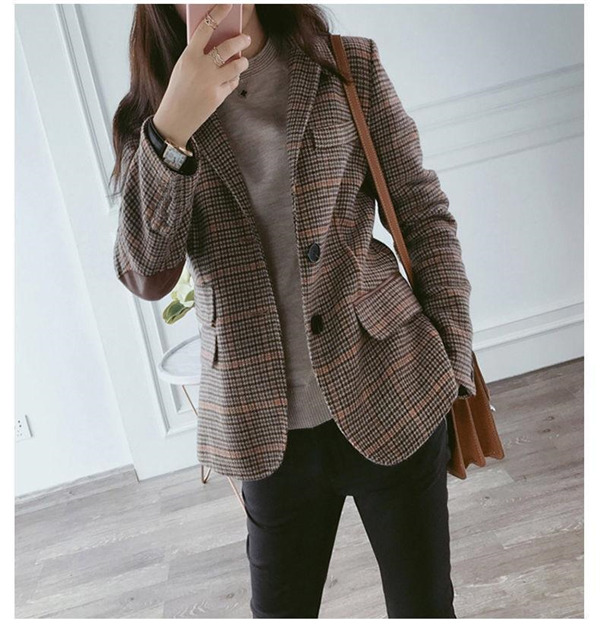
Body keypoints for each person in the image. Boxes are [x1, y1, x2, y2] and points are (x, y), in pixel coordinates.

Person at [110, 3, 476, 619]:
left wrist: (452, 353)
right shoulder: (150, 117)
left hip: (392, 389)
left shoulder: (346, 66)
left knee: (426, 610)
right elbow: (146, 272)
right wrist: (173, 127)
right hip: (263, 429)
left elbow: (421, 211)